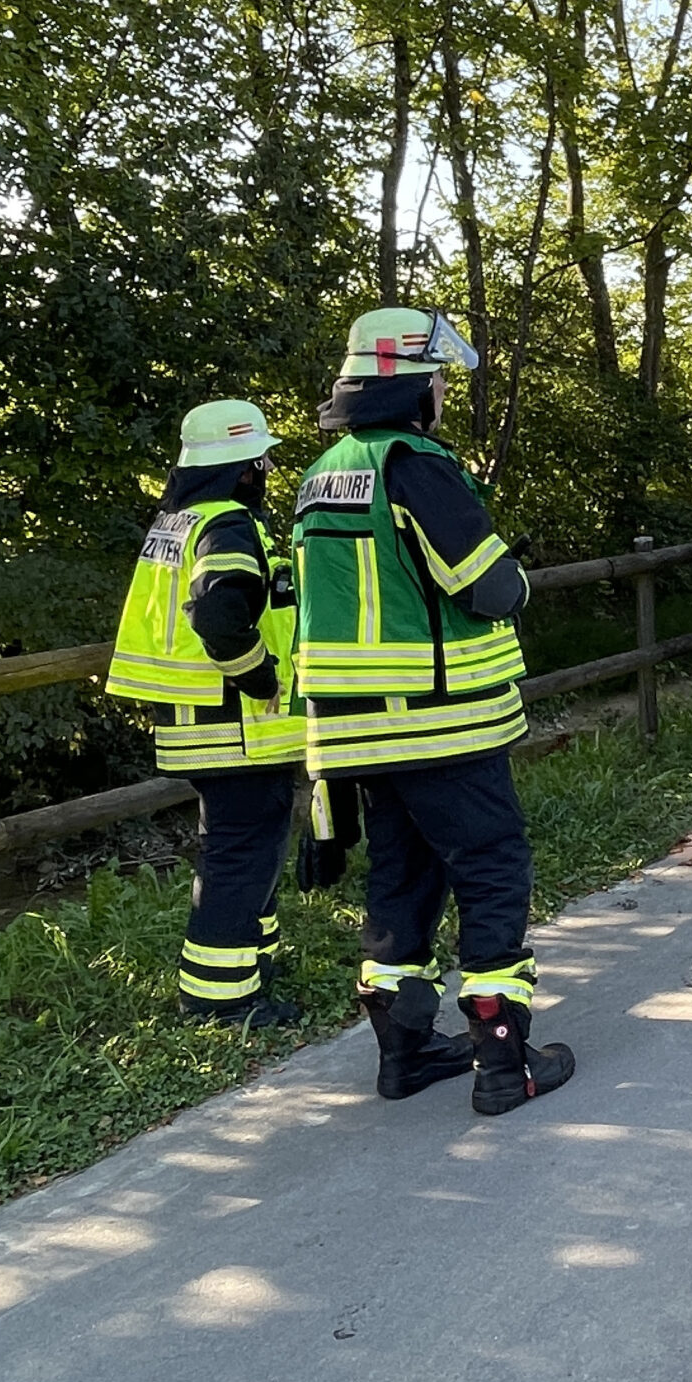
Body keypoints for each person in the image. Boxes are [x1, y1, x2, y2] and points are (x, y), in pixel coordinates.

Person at [291, 307, 574, 1116]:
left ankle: (405, 1053)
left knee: (401, 879)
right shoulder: (416, 464)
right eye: (439, 376)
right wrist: (519, 582)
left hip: (356, 730)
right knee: (490, 871)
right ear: (411, 381)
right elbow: (486, 585)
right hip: (442, 721)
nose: (446, 391)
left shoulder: (323, 473)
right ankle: (501, 1064)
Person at [106, 400, 307, 1027]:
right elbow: (219, 617)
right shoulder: (227, 525)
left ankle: (253, 960)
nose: (269, 467)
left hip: (193, 720)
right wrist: (260, 676)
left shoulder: (176, 520)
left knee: (240, 846)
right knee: (241, 853)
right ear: (243, 467)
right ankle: (222, 999)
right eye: (262, 458)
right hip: (235, 725)